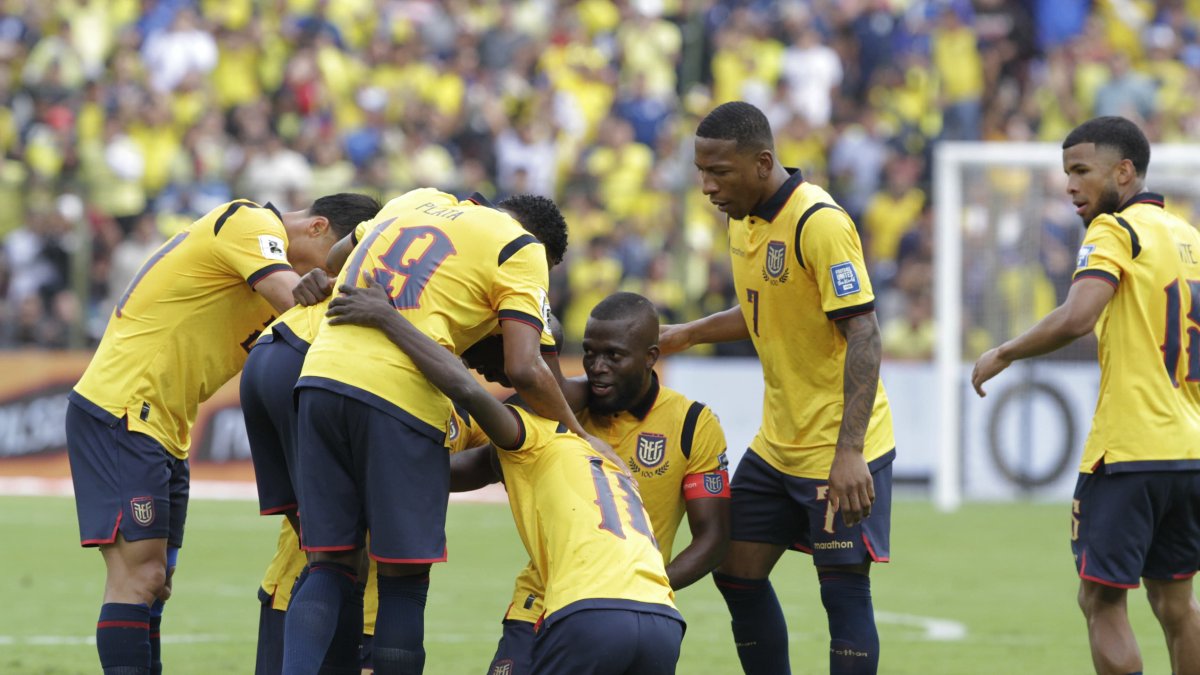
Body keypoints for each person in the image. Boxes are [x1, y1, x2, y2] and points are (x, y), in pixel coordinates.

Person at [283, 188, 610, 675]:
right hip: (399, 394)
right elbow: (524, 367)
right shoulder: (522, 247)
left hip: (321, 375)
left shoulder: (415, 199)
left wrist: (324, 282)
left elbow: (332, 259)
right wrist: (580, 434)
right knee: (403, 582)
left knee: (329, 564)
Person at [65, 193, 382, 675]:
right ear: (318, 228)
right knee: (139, 576)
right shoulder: (251, 221)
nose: (339, 269)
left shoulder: (268, 259)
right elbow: (294, 299)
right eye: (342, 255)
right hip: (123, 410)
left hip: (167, 425)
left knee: (157, 582)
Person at [325, 277, 685, 675]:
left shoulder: (534, 432)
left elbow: (466, 390)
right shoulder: (600, 453)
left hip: (591, 613)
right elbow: (456, 472)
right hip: (662, 617)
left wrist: (387, 318)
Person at [659, 101, 895, 675]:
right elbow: (766, 305)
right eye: (701, 172)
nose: (708, 187)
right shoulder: (743, 220)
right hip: (777, 442)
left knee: (842, 591)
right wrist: (688, 334)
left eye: (720, 172)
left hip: (837, 447)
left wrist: (848, 452)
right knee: (735, 571)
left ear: (763, 162)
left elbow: (863, 331)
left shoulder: (820, 222)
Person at [972, 116, 1200, 675]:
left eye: (1081, 171)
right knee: (1177, 604)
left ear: (1124, 172)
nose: (1069, 185)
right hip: (1190, 450)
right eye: (1065, 173)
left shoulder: (1116, 231)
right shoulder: (1190, 238)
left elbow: (1078, 317)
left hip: (1127, 453)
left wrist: (1004, 352)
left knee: (1100, 600)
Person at [461, 292, 731, 675]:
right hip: (536, 605)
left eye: (613, 356)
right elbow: (477, 463)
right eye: (590, 353)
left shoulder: (692, 425)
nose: (597, 367)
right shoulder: (560, 407)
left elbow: (712, 539)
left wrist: (637, 585)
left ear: (651, 357)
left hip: (625, 606)